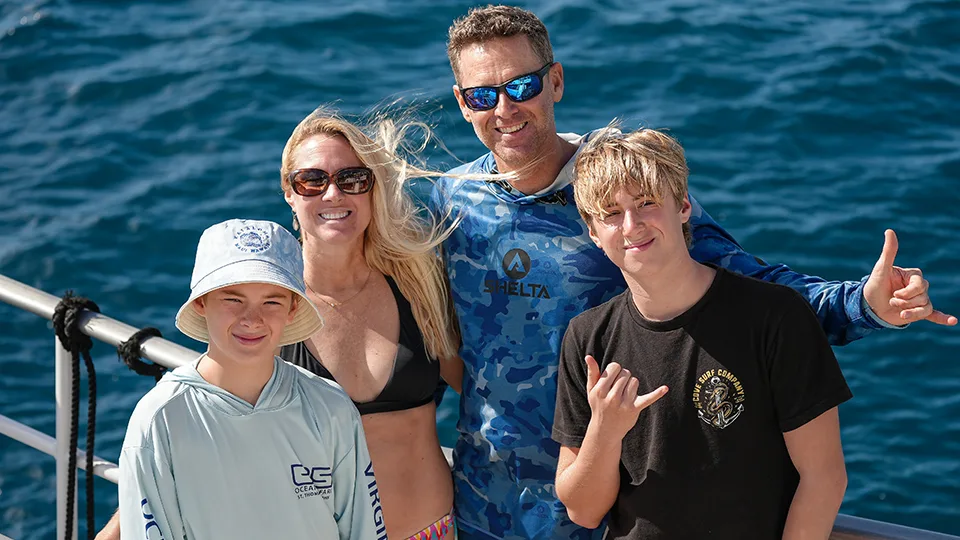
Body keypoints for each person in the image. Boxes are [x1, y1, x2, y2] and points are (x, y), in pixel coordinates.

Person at [429, 5, 955, 539]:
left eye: (521, 87)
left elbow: (755, 290)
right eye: (481, 95)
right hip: (487, 506)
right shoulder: (449, 203)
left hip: (623, 507)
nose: (504, 109)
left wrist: (863, 305)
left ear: (556, 81)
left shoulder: (625, 193)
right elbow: (427, 332)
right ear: (462, 102)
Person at [553, 127, 850, 539]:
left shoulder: (775, 317)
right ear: (592, 231)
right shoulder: (588, 338)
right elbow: (583, 512)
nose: (631, 225)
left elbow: (824, 478)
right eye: (611, 213)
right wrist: (605, 431)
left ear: (684, 207)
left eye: (647, 203)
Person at [117, 219, 384, 540]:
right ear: (201, 303)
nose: (252, 319)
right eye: (233, 299)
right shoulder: (159, 422)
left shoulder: (332, 408)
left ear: (292, 308)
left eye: (271, 301)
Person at [279, 107, 462, 540]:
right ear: (289, 192)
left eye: (352, 179)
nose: (332, 195)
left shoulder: (419, 285)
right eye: (312, 180)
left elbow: (485, 392)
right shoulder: (273, 304)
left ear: (371, 188)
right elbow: (208, 415)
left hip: (432, 531)